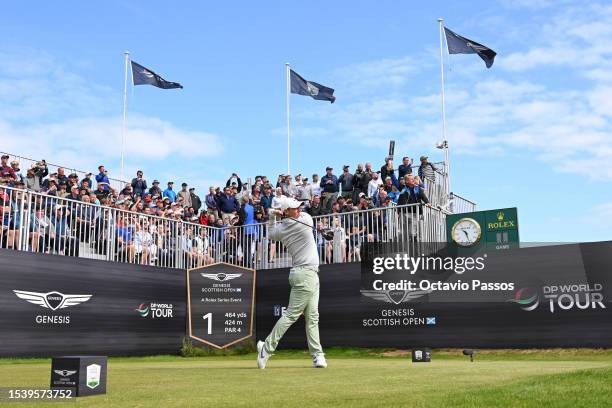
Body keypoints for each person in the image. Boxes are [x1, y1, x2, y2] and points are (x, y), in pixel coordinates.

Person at [257, 196, 326, 369]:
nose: (299, 209)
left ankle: (317, 355)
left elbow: (271, 232)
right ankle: (266, 348)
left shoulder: (282, 228)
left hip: (305, 273)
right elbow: (299, 218)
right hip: (305, 275)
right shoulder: (305, 220)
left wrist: (274, 215)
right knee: (291, 315)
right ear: (288, 211)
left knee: (312, 317)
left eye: (298, 207)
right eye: (295, 208)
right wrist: (280, 214)